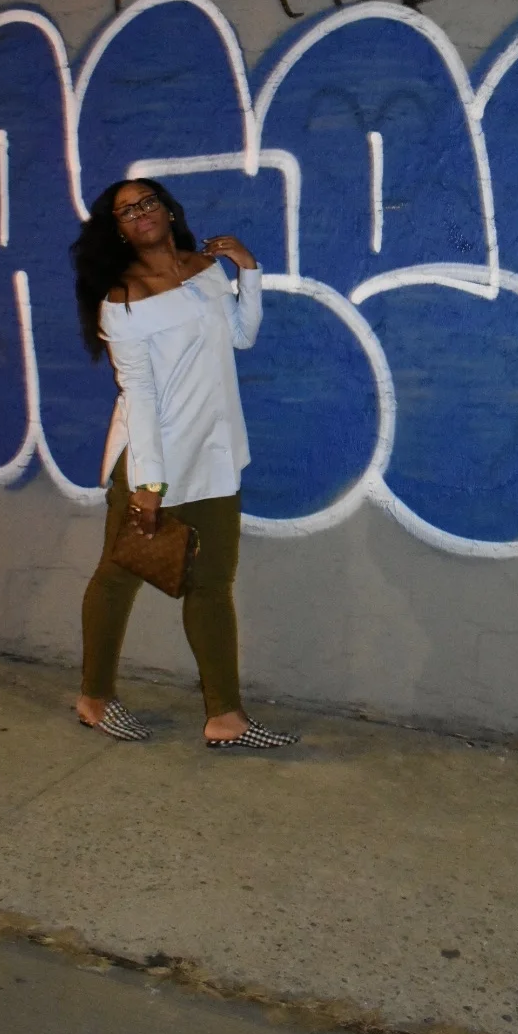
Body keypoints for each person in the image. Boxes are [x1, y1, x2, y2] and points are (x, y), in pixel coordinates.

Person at [70, 178, 298, 751]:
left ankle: (225, 717)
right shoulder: (122, 299)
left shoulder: (206, 270)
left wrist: (248, 271)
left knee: (213, 585)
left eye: (147, 202)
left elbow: (242, 336)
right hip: (156, 460)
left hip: (215, 454)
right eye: (126, 211)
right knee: (118, 578)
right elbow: (139, 394)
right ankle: (94, 698)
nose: (140, 214)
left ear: (168, 211)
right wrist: (148, 484)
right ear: (118, 230)